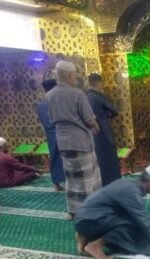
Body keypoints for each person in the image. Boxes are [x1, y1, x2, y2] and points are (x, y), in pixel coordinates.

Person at [74, 165, 150, 259]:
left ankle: (85, 236)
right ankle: (95, 245)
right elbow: (145, 222)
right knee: (136, 225)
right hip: (91, 221)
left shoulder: (125, 183)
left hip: (85, 219)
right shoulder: (131, 192)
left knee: (130, 221)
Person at [47, 60, 101, 218]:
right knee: (87, 179)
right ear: (70, 75)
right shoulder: (77, 94)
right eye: (75, 75)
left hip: (63, 142)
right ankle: (88, 212)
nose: (76, 78)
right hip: (80, 141)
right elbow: (89, 119)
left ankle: (73, 211)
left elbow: (51, 118)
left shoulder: (50, 95)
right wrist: (95, 128)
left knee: (71, 178)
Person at [87, 73, 121, 186]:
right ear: (98, 83)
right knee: (109, 159)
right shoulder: (99, 97)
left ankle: (100, 182)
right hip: (104, 132)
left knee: (98, 158)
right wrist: (106, 115)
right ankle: (113, 182)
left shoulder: (84, 97)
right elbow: (114, 110)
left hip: (90, 133)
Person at [36, 79, 65, 191]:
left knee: (54, 157)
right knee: (66, 157)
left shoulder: (40, 106)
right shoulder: (58, 102)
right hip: (63, 133)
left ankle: (56, 183)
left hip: (50, 135)